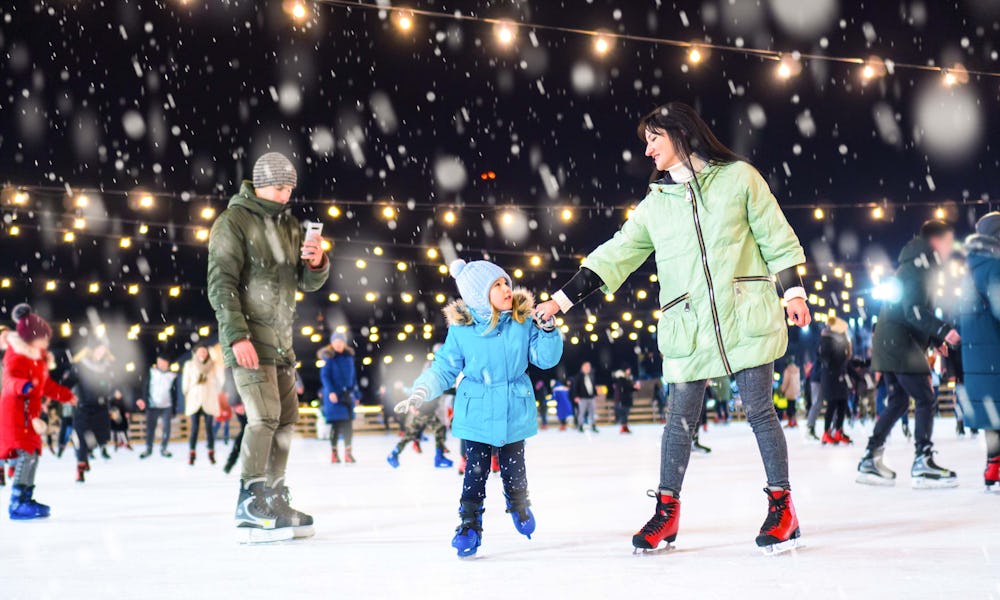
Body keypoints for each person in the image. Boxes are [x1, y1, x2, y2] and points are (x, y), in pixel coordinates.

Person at [535, 102, 811, 554]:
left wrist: (792, 291)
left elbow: (774, 235)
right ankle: (667, 513)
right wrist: (562, 299)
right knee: (678, 422)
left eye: (653, 139)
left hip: (744, 314)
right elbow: (615, 253)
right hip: (690, 326)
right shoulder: (655, 206)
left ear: (681, 134)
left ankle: (783, 507)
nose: (647, 151)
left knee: (760, 411)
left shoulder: (739, 178)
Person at [393, 259, 563, 558]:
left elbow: (545, 359)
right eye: (496, 285)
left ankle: (519, 504)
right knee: (475, 471)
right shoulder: (462, 330)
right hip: (477, 410)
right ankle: (469, 524)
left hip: (513, 407)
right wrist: (421, 390)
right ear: (477, 296)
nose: (505, 289)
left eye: (505, 282)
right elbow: (444, 367)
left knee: (514, 467)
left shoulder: (522, 321)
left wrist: (547, 329)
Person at [208, 151, 329, 543]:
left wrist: (316, 263)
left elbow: (302, 284)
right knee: (263, 417)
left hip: (281, 342)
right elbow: (221, 284)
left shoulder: (291, 226)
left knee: (287, 418)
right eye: (279, 187)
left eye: (290, 187)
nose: (285, 194)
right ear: (259, 184)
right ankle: (250, 499)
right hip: (249, 339)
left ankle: (275, 496)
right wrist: (237, 336)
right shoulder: (233, 222)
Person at [857, 220, 961, 488]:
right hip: (899, 343)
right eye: (948, 241)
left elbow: (911, 312)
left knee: (899, 401)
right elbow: (913, 311)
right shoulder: (917, 268)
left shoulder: (915, 265)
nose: (950, 248)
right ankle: (922, 461)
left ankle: (870, 457)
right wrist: (943, 330)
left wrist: (934, 339)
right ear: (935, 241)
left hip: (891, 341)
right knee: (925, 397)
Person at [1, 305, 76, 519]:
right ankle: (16, 503)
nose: (46, 342)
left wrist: (65, 395)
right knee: (27, 455)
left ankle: (26, 498)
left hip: (29, 416)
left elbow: (46, 385)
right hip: (15, 413)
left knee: (33, 454)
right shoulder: (17, 355)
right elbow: (8, 380)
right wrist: (21, 385)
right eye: (43, 338)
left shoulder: (38, 360)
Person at [956, 212, 1000, 489]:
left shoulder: (969, 269)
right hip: (994, 352)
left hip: (978, 356)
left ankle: (993, 464)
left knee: (992, 412)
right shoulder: (992, 266)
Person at [71, 341, 118, 483]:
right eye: (99, 350)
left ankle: (87, 453)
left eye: (104, 351)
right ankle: (80, 466)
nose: (101, 353)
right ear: (91, 350)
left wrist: (113, 392)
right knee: (82, 438)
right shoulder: (81, 366)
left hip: (100, 407)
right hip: (82, 407)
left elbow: (111, 384)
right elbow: (70, 382)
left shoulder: (107, 368)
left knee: (100, 438)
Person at [387, 391, 454, 469]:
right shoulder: (430, 382)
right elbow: (419, 390)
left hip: (425, 411)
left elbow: (447, 389)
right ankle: (439, 458)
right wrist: (412, 404)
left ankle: (393, 454)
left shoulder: (438, 384)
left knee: (411, 434)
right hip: (423, 411)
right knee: (439, 429)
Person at [319, 333, 358, 464]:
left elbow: (353, 377)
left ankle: (348, 453)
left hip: (347, 395)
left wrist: (356, 394)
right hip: (334, 396)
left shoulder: (349, 357)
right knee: (336, 425)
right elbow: (325, 376)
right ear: (332, 343)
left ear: (344, 343)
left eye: (340, 341)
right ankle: (334, 454)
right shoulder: (328, 357)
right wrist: (330, 391)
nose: (338, 344)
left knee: (348, 425)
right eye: (336, 341)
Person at [182, 344, 222, 466]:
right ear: (196, 353)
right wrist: (187, 393)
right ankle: (192, 453)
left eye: (205, 352)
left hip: (208, 399)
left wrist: (217, 392)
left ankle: (211, 453)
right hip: (195, 400)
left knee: (209, 429)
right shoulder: (189, 365)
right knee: (194, 428)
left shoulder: (213, 365)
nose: (203, 354)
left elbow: (220, 379)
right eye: (201, 351)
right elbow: (185, 383)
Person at [818, 318, 852, 445]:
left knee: (843, 402)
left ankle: (838, 430)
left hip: (840, 375)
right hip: (831, 376)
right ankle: (826, 432)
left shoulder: (842, 339)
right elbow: (826, 357)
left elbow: (845, 357)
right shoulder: (827, 339)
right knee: (832, 404)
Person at [137, 355, 177, 459]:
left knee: (166, 428)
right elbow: (145, 387)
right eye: (159, 362)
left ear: (167, 363)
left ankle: (164, 448)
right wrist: (144, 400)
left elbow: (174, 392)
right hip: (152, 405)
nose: (161, 364)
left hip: (166, 405)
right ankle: (148, 448)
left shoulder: (172, 375)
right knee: (150, 428)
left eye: (163, 362)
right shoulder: (151, 372)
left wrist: (174, 408)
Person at [221, 368, 247, 474]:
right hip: (242, 403)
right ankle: (232, 460)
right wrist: (236, 403)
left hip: (256, 401)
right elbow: (229, 385)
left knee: (253, 431)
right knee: (246, 430)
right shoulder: (231, 366)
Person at [572, 362, 599, 433]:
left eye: (589, 367)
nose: (588, 368)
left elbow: (593, 386)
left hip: (591, 397)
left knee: (592, 412)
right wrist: (576, 396)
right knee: (581, 413)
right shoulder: (579, 376)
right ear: (582, 368)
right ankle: (580, 426)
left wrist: (595, 394)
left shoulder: (591, 376)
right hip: (582, 398)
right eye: (586, 367)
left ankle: (593, 426)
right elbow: (575, 387)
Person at [612, 368, 639, 434]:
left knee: (625, 413)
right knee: (624, 413)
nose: (629, 371)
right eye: (628, 370)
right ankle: (623, 427)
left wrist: (634, 388)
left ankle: (625, 427)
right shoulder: (621, 379)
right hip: (622, 399)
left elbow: (629, 388)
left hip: (626, 398)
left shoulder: (627, 378)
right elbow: (626, 387)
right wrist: (634, 387)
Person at [805, 355, 824, 441]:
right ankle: (810, 428)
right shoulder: (823, 353)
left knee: (817, 404)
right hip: (817, 380)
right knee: (816, 404)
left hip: (818, 379)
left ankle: (811, 428)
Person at [779, 360, 801, 428]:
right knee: (794, 406)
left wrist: (782, 390)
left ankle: (790, 422)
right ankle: (794, 421)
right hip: (795, 391)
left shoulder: (787, 370)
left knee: (789, 407)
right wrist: (798, 390)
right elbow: (798, 381)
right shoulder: (797, 370)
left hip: (789, 391)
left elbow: (786, 382)